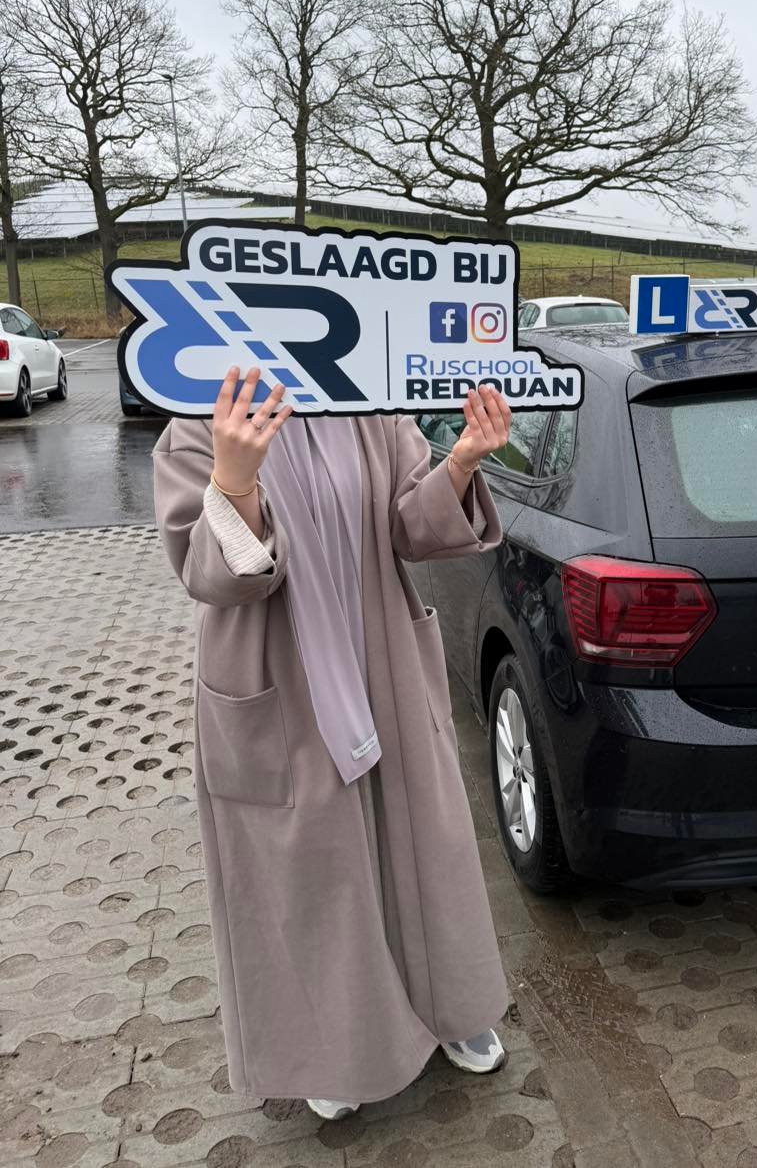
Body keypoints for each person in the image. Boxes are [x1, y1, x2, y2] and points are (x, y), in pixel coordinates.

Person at [153, 366, 514, 1120]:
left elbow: (412, 527)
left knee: (425, 838)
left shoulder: (365, 399)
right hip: (276, 671)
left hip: (381, 653)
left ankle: (451, 1005)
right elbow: (208, 574)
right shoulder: (201, 415)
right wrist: (235, 479)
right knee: (316, 867)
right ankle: (335, 1047)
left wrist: (462, 460)